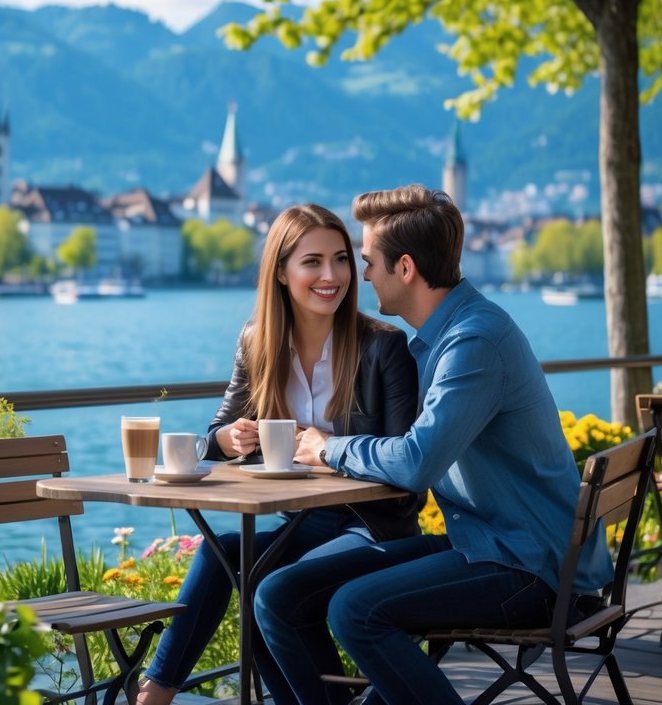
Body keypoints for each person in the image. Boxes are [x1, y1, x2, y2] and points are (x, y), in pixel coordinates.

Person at [255, 185, 614, 705]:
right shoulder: (447, 336)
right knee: (278, 594)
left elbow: (417, 461)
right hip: (491, 543)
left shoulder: (474, 343)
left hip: (530, 568)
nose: (364, 275)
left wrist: (329, 447)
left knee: (355, 610)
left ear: (404, 268)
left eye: (368, 261)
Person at [137, 204, 423, 705]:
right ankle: (157, 689)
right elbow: (216, 434)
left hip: (371, 525)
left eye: (340, 259)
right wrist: (228, 442)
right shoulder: (257, 343)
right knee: (224, 552)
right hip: (301, 522)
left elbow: (406, 477)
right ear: (282, 271)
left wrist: (327, 451)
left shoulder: (384, 347)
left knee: (269, 584)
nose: (331, 276)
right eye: (312, 262)